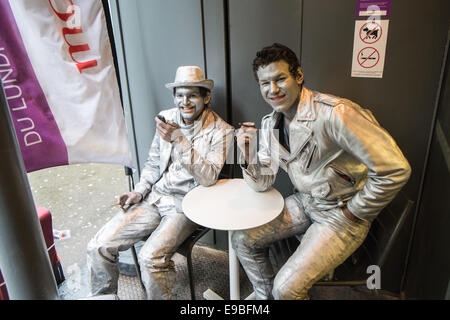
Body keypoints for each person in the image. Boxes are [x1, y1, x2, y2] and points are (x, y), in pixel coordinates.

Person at [232, 43, 411, 300]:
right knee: (242, 239)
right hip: (306, 202)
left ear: (299, 76)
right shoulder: (271, 122)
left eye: (280, 78)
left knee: (286, 289)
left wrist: (354, 211)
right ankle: (264, 298)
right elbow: (262, 183)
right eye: (264, 83)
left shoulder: (336, 114)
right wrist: (246, 154)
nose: (272, 90)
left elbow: (395, 169)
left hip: (339, 216)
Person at [87, 66, 234, 299]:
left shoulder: (222, 131)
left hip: (185, 205)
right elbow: (153, 163)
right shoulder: (166, 117)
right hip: (154, 197)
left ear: (206, 98)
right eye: (179, 95)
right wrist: (138, 191)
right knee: (99, 245)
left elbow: (207, 178)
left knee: (150, 258)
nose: (184, 101)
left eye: (192, 95)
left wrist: (179, 139)